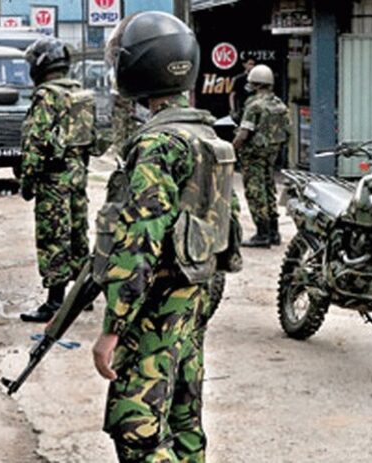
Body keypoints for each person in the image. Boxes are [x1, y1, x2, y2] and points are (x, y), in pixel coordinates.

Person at [92, 12, 239, 462]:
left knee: (137, 431)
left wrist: (113, 328)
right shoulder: (205, 135)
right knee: (184, 420)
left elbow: (139, 242)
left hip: (157, 303)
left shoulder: (158, 144)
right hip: (195, 296)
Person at [19, 37, 95, 323]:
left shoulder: (46, 96)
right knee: (77, 233)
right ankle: (82, 296)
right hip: (77, 173)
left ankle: (54, 303)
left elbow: (35, 142)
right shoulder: (80, 93)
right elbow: (94, 138)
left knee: (53, 236)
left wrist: (28, 181)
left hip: (53, 177)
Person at [233, 64, 291, 248]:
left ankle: (262, 234)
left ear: (255, 84)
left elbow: (244, 134)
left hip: (253, 155)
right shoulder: (279, 105)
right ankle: (274, 232)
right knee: (268, 188)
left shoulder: (254, 105)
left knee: (255, 192)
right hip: (271, 154)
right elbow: (288, 131)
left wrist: (232, 149)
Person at [229, 58, 256, 124]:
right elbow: (232, 95)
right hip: (242, 109)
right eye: (250, 64)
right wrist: (233, 110)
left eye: (253, 64)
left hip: (254, 108)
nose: (252, 66)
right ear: (244, 65)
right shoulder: (239, 78)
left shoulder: (257, 78)